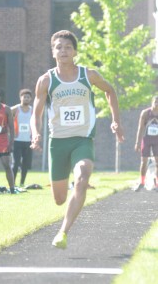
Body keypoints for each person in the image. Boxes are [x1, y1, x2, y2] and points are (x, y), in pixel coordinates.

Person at [30, 30, 124, 249]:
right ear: (53, 52)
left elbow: (110, 91)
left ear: (75, 51)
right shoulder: (46, 81)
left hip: (83, 140)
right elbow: (36, 113)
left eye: (68, 47)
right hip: (58, 143)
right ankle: (65, 207)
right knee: (59, 199)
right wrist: (36, 133)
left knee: (82, 178)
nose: (63, 51)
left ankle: (63, 232)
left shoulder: (88, 75)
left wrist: (116, 120)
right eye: (59, 47)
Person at [134, 95, 158, 191]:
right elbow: (140, 128)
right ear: (152, 102)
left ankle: (157, 184)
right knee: (144, 161)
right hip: (146, 139)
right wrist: (137, 142)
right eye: (155, 102)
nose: (157, 104)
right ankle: (142, 182)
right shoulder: (145, 113)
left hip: (157, 140)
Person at [11, 89, 33, 186]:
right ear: (21, 98)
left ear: (30, 99)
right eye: (25, 97)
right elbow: (6, 117)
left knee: (26, 164)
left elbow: (36, 123)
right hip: (17, 140)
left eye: (28, 97)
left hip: (28, 141)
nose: (26, 99)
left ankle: (22, 183)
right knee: (15, 163)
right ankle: (13, 183)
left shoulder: (32, 110)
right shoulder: (16, 109)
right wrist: (10, 131)